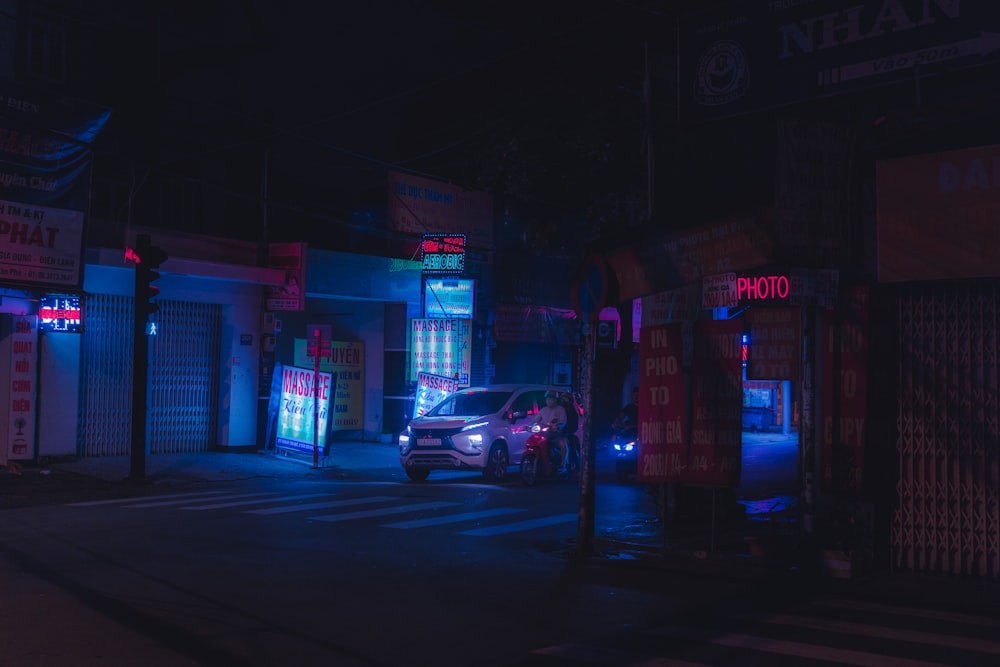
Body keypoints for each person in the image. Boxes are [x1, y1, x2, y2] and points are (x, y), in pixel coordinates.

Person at [532, 391, 568, 473]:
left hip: (556, 435)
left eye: (551, 399)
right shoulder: (543, 410)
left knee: (563, 444)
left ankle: (563, 465)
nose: (549, 401)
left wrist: (558, 426)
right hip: (544, 435)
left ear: (555, 400)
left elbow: (563, 422)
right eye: (547, 399)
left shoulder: (560, 409)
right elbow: (535, 419)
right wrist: (528, 426)